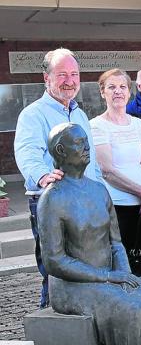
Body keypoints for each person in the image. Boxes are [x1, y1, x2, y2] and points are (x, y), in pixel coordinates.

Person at [38, 123, 141, 345]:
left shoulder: (99, 190)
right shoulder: (52, 199)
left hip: (108, 276)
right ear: (60, 150)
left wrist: (125, 275)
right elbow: (54, 261)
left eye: (86, 141)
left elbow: (116, 242)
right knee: (134, 310)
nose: (87, 147)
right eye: (79, 143)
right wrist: (108, 277)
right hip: (71, 285)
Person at [14, 47, 102, 308]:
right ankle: (49, 333)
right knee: (56, 276)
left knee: (87, 268)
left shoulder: (80, 114)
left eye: (74, 74)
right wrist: (42, 176)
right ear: (46, 78)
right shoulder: (33, 114)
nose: (70, 81)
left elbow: (92, 162)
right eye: (62, 74)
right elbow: (27, 152)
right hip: (53, 204)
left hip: (84, 202)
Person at [90, 69, 141, 276]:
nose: (117, 92)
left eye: (122, 87)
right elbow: (107, 171)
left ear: (129, 92)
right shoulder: (97, 126)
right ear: (103, 92)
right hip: (117, 206)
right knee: (123, 261)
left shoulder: (137, 124)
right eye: (111, 87)